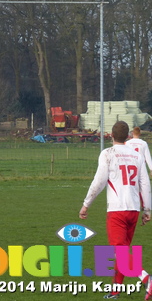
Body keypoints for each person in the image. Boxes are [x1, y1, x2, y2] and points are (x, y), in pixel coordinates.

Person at [79, 121, 152, 299]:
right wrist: (147, 210)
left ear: (111, 135)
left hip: (117, 210)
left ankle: (146, 278)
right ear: (128, 136)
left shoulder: (108, 154)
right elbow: (145, 183)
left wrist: (86, 203)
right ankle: (115, 290)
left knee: (119, 251)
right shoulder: (136, 155)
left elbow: (99, 182)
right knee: (123, 251)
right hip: (133, 210)